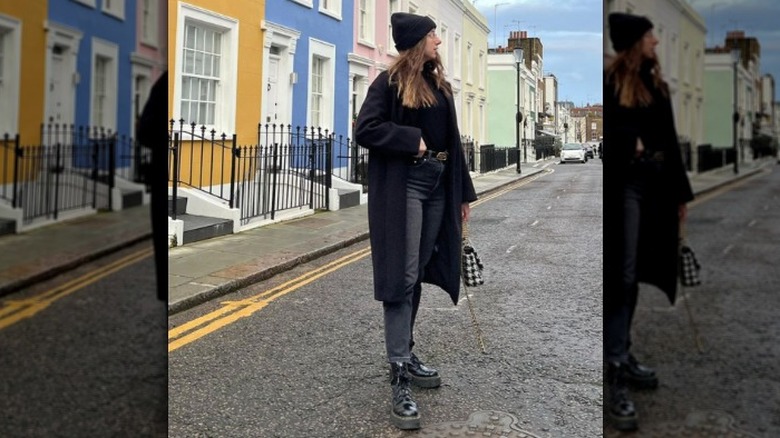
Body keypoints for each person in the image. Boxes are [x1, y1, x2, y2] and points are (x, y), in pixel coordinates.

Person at [354, 12, 477, 430]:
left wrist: (464, 195)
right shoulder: (388, 84)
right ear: (415, 42)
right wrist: (411, 140)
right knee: (401, 277)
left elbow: (453, 143)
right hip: (406, 184)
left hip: (441, 186)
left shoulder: (439, 85)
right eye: (432, 35)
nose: (438, 41)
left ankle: (405, 349)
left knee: (418, 272)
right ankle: (399, 374)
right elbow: (364, 128)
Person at [603, 13, 694, 431]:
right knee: (621, 275)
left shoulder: (657, 85)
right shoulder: (612, 82)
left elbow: (671, 141)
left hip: (656, 186)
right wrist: (629, 141)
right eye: (650, 35)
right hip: (625, 187)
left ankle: (621, 351)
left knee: (635, 272)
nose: (656, 41)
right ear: (634, 41)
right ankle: (615, 368)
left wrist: (681, 196)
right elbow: (612, 139)